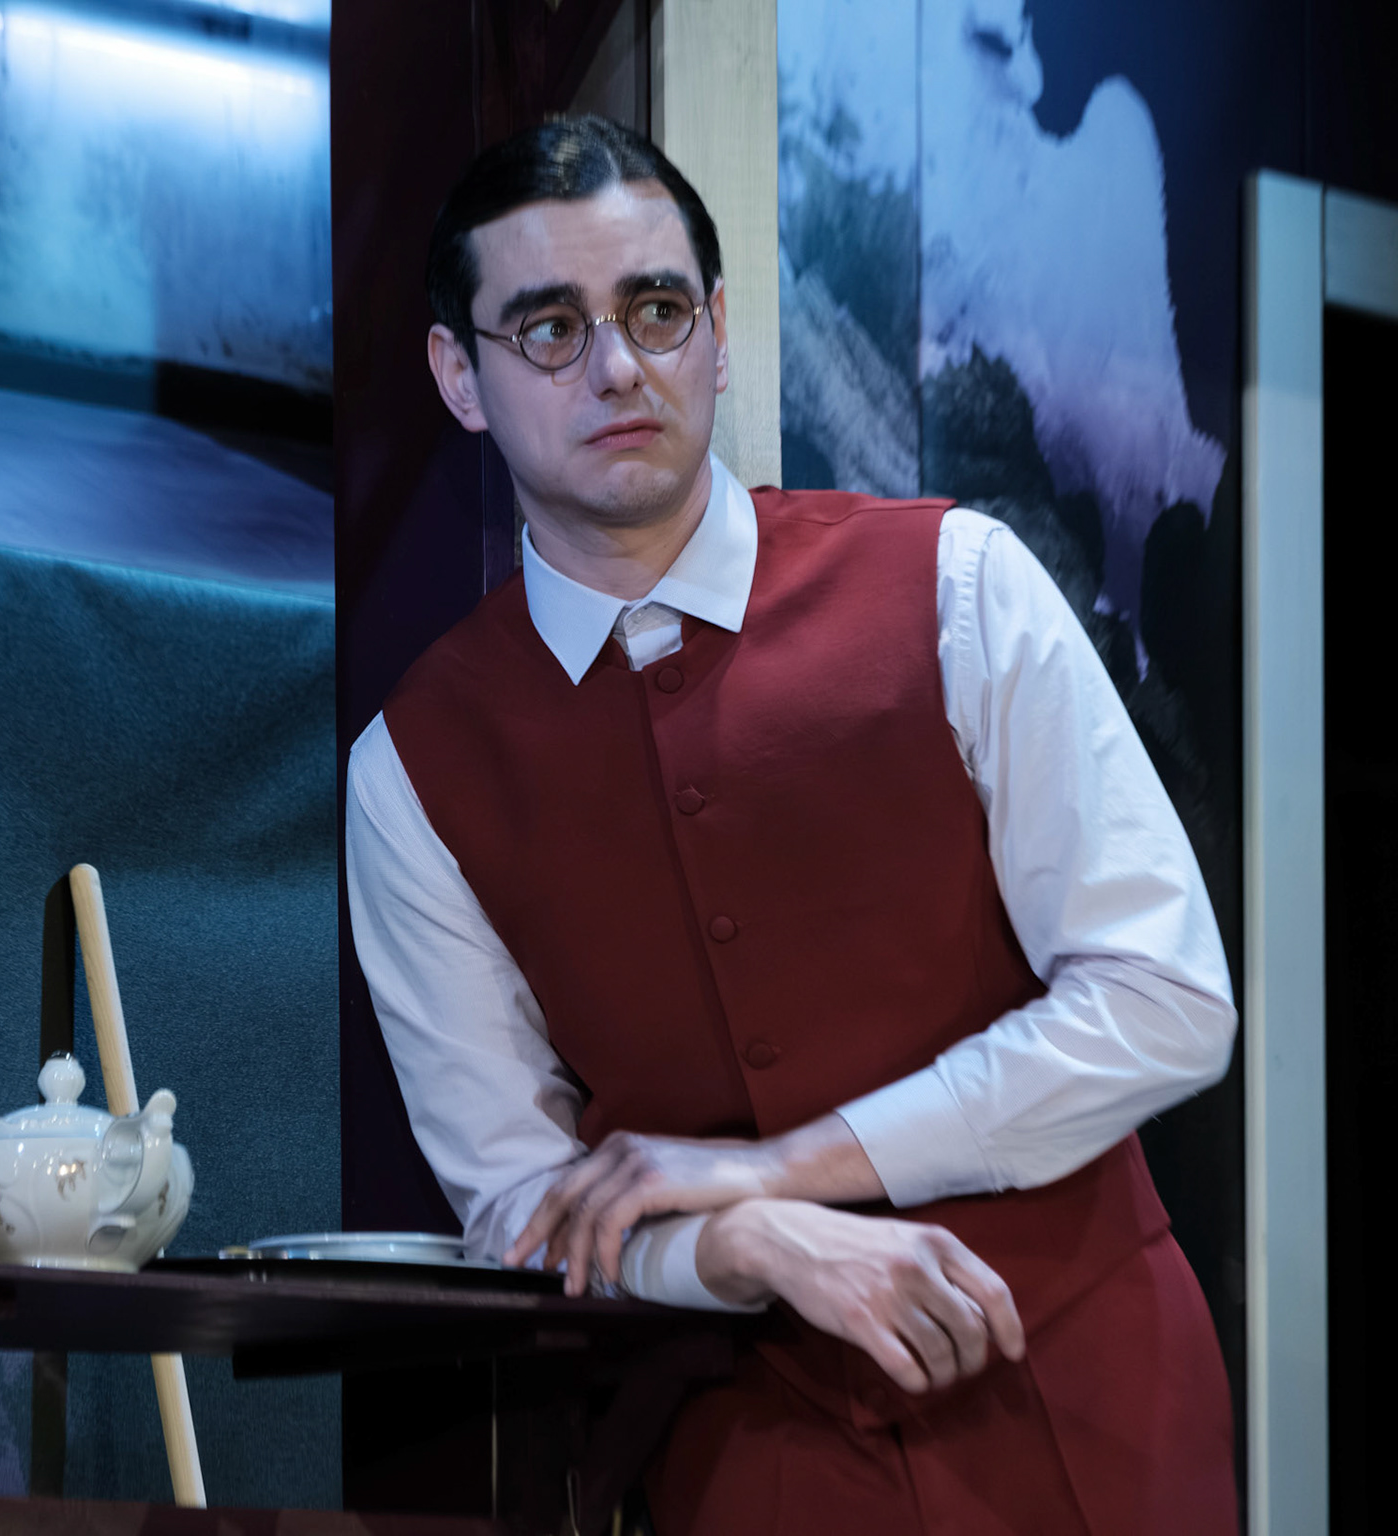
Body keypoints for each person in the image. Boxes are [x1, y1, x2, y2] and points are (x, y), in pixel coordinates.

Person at [344, 116, 1237, 1534]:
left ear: (716, 331)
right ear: (462, 375)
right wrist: (745, 1241)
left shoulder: (957, 583)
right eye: (551, 329)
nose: (617, 367)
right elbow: (519, 1204)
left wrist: (782, 1166)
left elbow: (1166, 1000)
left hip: (1093, 1398)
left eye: (655, 309)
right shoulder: (412, 767)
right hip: (748, 1446)